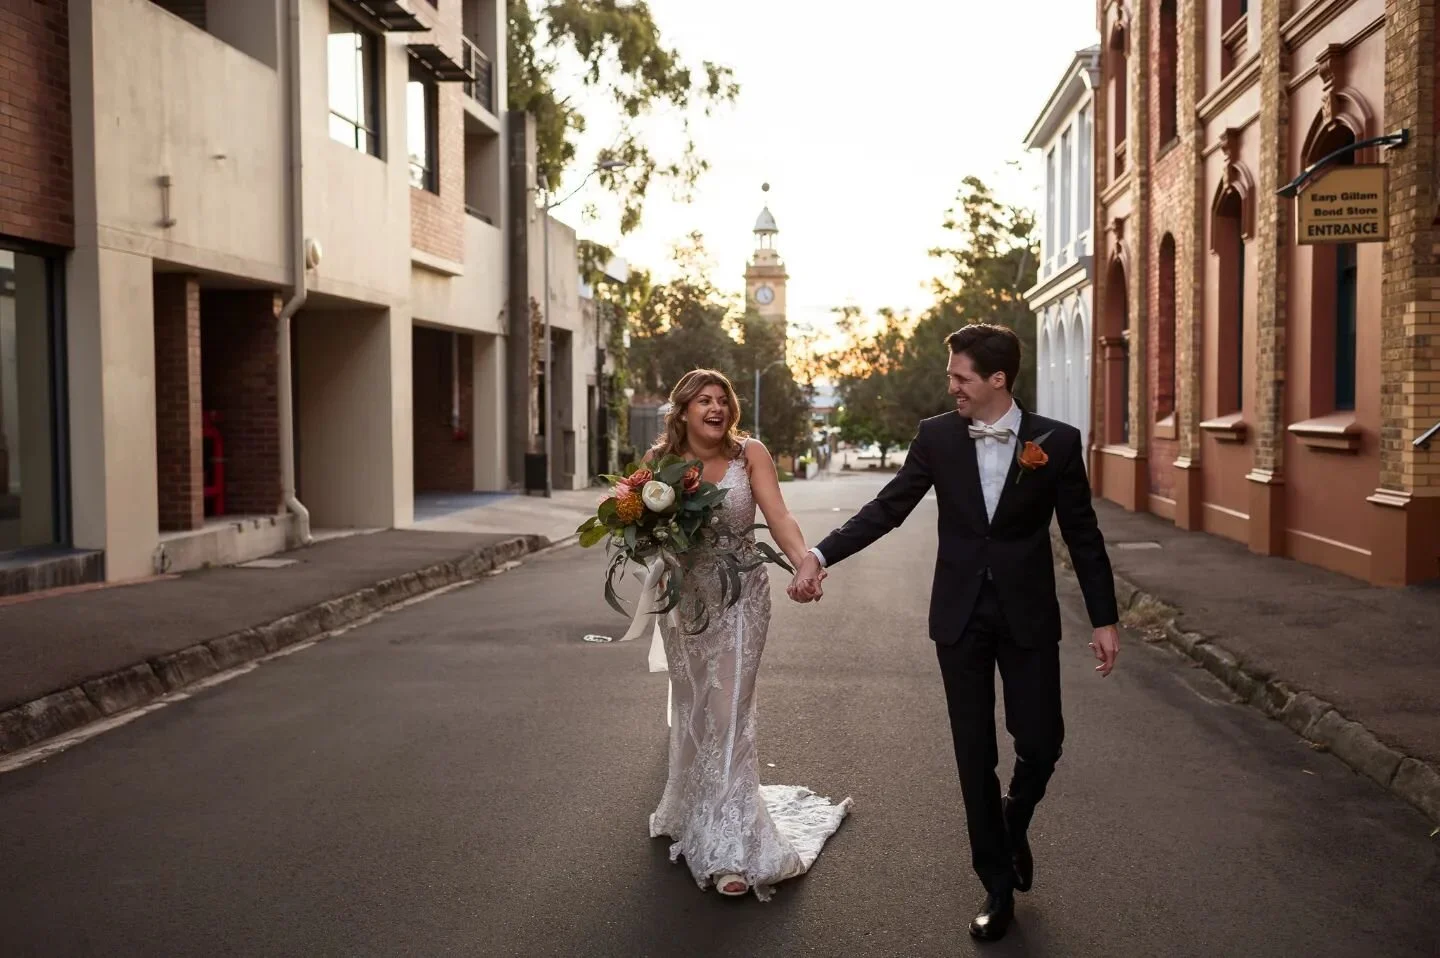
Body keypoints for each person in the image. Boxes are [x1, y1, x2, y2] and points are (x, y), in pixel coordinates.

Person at [788, 324, 1119, 942]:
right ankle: (996, 883)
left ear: (998, 379)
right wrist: (820, 555)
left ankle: (1011, 822)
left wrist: (1104, 617)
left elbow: (1082, 533)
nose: (952, 387)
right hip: (960, 617)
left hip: (1027, 616)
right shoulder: (938, 436)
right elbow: (889, 508)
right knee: (975, 753)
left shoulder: (1058, 443)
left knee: (1042, 742)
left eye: (961, 376)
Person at [644, 368, 850, 901]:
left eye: (722, 400)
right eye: (703, 400)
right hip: (686, 602)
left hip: (741, 599)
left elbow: (778, 515)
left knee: (729, 709)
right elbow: (644, 532)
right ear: (683, 410)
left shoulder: (749, 454)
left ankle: (732, 844)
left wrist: (805, 560)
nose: (715, 408)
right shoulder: (660, 465)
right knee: (693, 705)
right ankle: (691, 804)